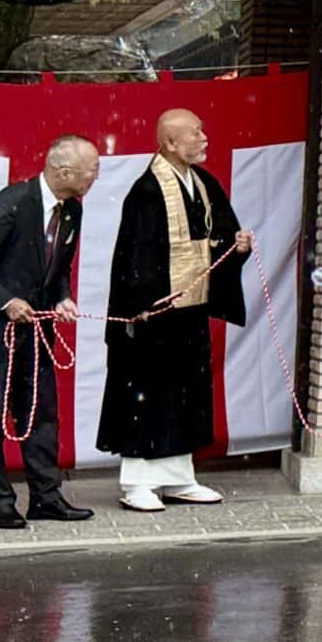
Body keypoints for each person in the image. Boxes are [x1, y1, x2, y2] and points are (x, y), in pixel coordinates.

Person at [100, 109, 252, 512]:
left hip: (189, 311)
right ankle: (136, 483)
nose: (204, 138)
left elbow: (219, 236)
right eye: (195, 133)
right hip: (153, 315)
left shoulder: (203, 184)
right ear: (169, 143)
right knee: (146, 395)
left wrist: (235, 247)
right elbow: (133, 256)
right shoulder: (147, 191)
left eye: (202, 130)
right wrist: (139, 307)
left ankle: (178, 478)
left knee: (186, 392)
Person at [0, 135, 100, 529]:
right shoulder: (12, 204)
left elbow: (57, 270)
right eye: (91, 168)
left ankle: (46, 497)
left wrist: (62, 297)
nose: (96, 175)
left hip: (35, 332)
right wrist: (6, 301)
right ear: (63, 172)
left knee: (42, 414)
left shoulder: (72, 211)